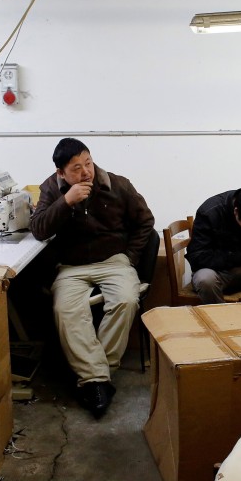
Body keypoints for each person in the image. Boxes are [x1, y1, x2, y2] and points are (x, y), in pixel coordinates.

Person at [30, 138, 155, 418]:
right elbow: (38, 228)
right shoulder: (51, 188)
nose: (86, 172)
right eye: (76, 168)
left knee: (125, 300)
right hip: (71, 266)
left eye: (88, 163)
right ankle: (97, 379)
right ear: (61, 173)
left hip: (113, 260)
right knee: (65, 309)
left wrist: (130, 257)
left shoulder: (117, 184)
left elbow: (146, 221)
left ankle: (96, 377)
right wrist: (66, 202)